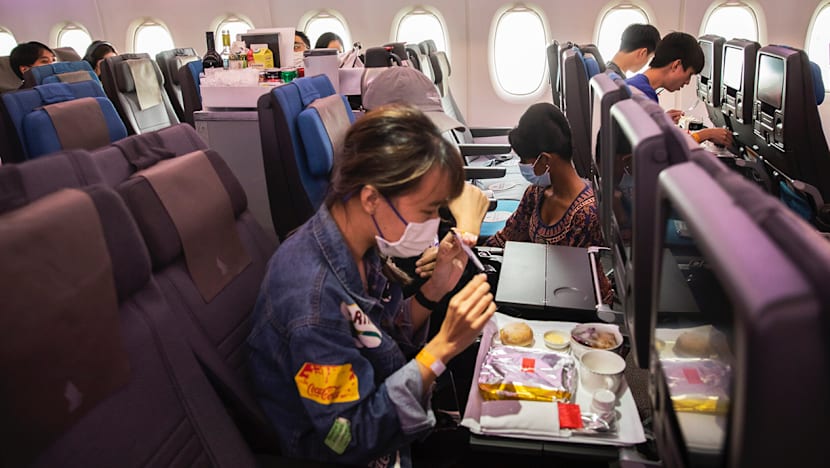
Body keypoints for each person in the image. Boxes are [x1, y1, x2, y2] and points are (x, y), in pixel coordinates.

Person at [247, 103, 496, 467]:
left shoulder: (359, 246)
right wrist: (442, 348)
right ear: (371, 198)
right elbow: (347, 437)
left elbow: (380, 336)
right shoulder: (314, 302)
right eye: (427, 211)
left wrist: (434, 290)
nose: (433, 223)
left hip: (388, 411)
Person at [481, 102, 604, 250]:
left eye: (524, 160)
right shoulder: (535, 194)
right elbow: (506, 237)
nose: (521, 165)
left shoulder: (589, 216)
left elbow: (579, 264)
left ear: (545, 160)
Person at [625, 31, 733, 146]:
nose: (687, 82)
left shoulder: (635, 84)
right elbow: (662, 149)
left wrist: (661, 120)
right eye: (689, 74)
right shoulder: (643, 95)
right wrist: (705, 135)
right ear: (676, 65)